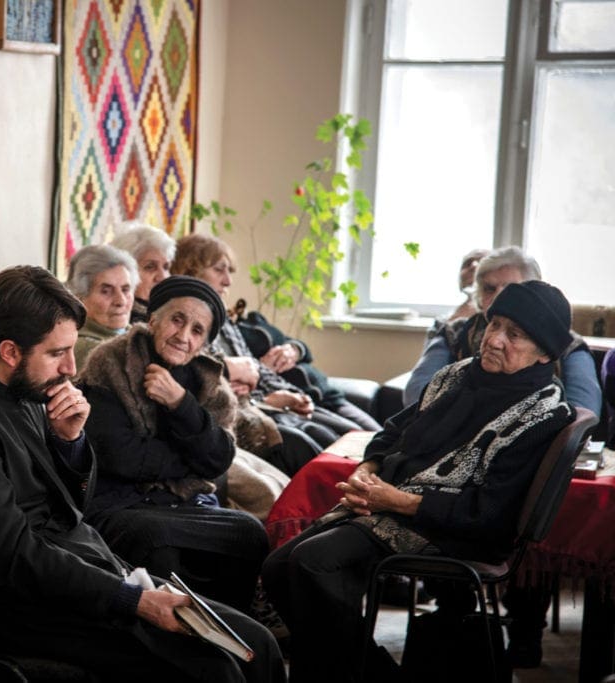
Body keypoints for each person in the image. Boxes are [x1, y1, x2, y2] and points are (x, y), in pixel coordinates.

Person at [0, 266, 284, 683]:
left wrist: (70, 443)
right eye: (57, 353)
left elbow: (69, 508)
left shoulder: (23, 390)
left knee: (256, 643)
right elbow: (11, 557)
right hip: (19, 607)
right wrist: (132, 599)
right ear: (10, 351)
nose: (70, 367)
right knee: (215, 667)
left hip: (79, 571)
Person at [261, 281, 577, 683]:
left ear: (544, 352)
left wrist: (395, 501)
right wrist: (368, 470)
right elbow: (392, 431)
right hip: (396, 504)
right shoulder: (458, 375)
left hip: (454, 527)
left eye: (513, 335)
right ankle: (360, 670)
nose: (494, 340)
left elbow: (488, 512)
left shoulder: (543, 414)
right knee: (276, 568)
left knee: (314, 564)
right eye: (493, 324)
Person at [79, 276, 271, 612]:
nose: (184, 336)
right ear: (153, 319)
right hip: (117, 505)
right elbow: (121, 457)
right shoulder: (108, 362)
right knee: (157, 542)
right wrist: (191, 459)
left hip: (178, 504)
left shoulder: (207, 381)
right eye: (177, 320)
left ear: (204, 343)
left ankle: (230, 634)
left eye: (197, 330)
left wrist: (180, 404)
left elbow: (220, 458)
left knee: (249, 533)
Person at [172, 233, 373, 474]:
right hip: (260, 410)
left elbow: (257, 372)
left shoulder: (227, 321)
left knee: (359, 442)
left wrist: (294, 393)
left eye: (229, 272)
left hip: (286, 401)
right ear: (191, 269)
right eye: (219, 270)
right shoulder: (191, 325)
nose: (227, 281)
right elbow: (222, 387)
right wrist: (268, 399)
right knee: (325, 447)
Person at [404, 246, 601, 415]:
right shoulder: (454, 332)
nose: (500, 296)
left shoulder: (565, 344)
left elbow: (584, 410)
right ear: (478, 295)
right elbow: (418, 391)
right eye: (489, 288)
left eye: (510, 288)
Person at [66, 243, 138, 368]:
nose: (121, 301)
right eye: (106, 291)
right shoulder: (88, 350)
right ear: (80, 298)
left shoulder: (136, 336)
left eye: (126, 289)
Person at [111, 223, 175, 324]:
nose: (163, 277)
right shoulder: (117, 320)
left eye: (166, 267)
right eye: (150, 267)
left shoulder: (174, 314)